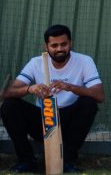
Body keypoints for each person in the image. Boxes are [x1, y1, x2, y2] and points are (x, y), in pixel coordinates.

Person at [1, 24, 104, 174]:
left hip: (68, 122)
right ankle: (26, 160)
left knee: (89, 103)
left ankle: (68, 161)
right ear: (46, 46)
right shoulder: (36, 62)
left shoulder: (84, 61)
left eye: (64, 44)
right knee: (9, 105)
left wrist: (70, 87)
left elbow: (100, 95)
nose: (59, 49)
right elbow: (7, 92)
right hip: (44, 119)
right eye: (54, 45)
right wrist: (30, 88)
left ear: (70, 43)